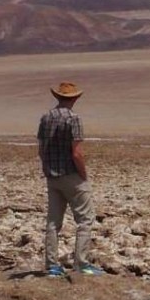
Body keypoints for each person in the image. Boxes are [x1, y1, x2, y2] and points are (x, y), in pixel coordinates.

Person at [37, 81, 104, 277]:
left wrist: (48, 168)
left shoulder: (46, 118)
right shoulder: (73, 119)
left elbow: (41, 150)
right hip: (71, 175)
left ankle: (52, 265)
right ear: (75, 98)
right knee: (85, 219)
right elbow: (76, 152)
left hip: (52, 176)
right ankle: (81, 264)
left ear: (58, 97)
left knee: (53, 222)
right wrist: (83, 175)